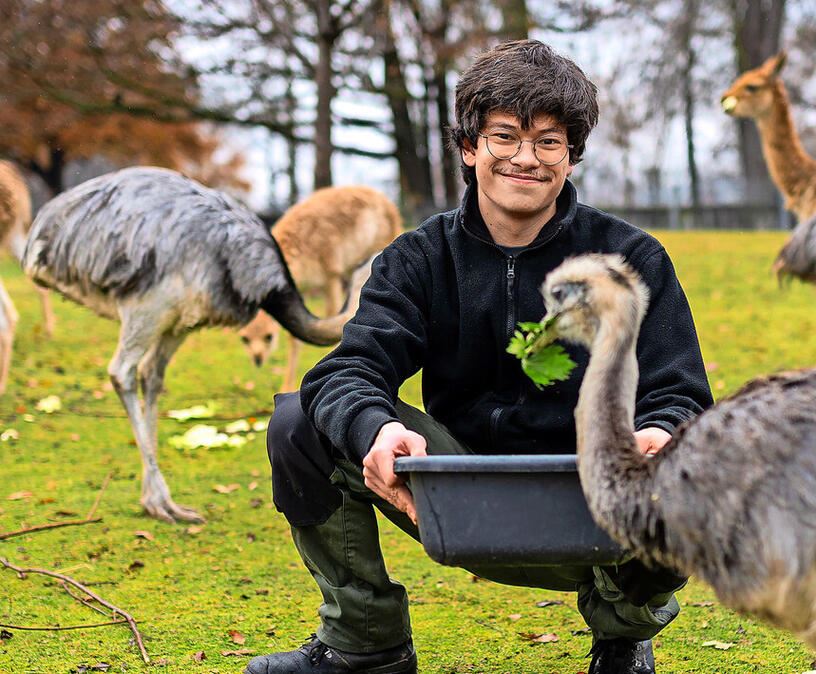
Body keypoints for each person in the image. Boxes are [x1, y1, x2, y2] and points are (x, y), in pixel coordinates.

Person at [246, 39, 713, 674]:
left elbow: (678, 392)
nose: (526, 158)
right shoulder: (417, 258)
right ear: (470, 148)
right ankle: (363, 642)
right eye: (504, 137)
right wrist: (377, 429)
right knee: (303, 418)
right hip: (456, 491)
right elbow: (349, 368)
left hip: (593, 499)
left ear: (571, 156)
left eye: (548, 141)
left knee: (688, 456)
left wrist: (660, 433)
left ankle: (623, 633)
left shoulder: (633, 258)